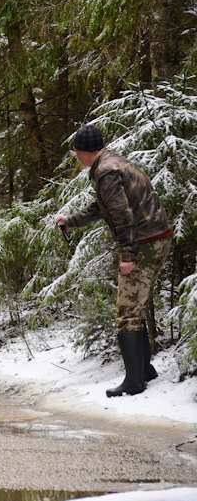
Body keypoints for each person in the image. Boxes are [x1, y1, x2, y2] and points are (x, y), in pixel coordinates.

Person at [55, 124, 172, 397]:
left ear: (83, 152)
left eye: (76, 153)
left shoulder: (106, 171)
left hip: (146, 243)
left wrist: (128, 256)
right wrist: (72, 221)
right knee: (134, 307)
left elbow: (122, 216)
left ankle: (134, 383)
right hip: (154, 238)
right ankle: (144, 371)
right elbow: (105, 205)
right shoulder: (113, 162)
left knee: (126, 312)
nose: (76, 158)